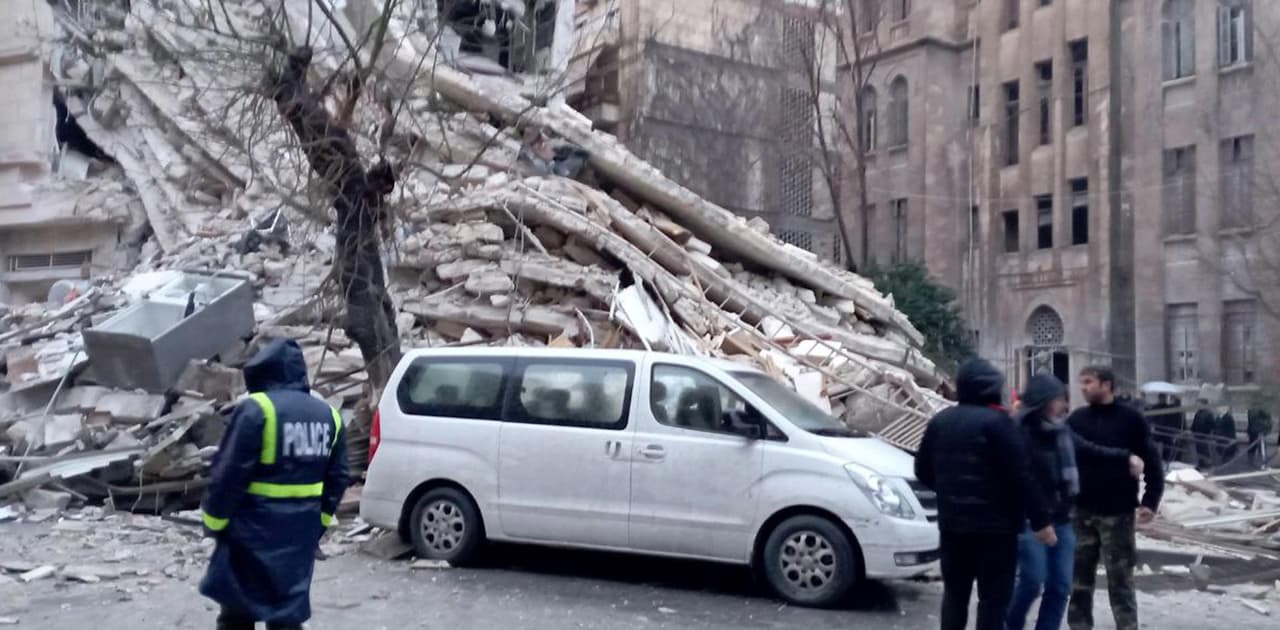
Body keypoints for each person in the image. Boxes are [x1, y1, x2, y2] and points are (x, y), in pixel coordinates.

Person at [199, 339, 350, 630]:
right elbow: (338, 477)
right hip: (299, 534)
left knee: (237, 613)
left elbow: (228, 474)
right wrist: (317, 525)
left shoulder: (257, 409)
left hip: (250, 531)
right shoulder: (329, 416)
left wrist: (214, 523)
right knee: (286, 614)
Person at [915, 358, 1055, 630]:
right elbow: (1021, 476)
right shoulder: (1000, 423)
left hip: (953, 528)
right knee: (992, 601)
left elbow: (922, 469)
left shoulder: (940, 421)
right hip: (997, 532)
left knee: (955, 596)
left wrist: (948, 491)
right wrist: (1041, 521)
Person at [1006, 375, 1139, 630]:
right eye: (1058, 399)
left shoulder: (1061, 430)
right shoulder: (1018, 433)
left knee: (1060, 585)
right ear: (1042, 401)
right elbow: (1020, 480)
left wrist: (1126, 458)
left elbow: (1090, 450)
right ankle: (1010, 623)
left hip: (1062, 519)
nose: (1063, 406)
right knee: (1033, 580)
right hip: (1029, 520)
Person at [1066, 366, 1164, 630]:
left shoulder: (1131, 420)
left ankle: (1127, 626)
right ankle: (1079, 625)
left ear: (1107, 384)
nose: (1083, 387)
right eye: (1081, 382)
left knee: (1120, 580)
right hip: (1082, 511)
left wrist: (1150, 500)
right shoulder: (1076, 420)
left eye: (1089, 382)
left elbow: (1152, 461)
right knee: (1078, 580)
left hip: (1117, 512)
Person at [1190, 399, 1217, 470]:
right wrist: (1192, 430)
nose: (1198, 405)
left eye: (1199, 404)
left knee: (1205, 451)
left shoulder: (1208, 413)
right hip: (1197, 435)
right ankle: (1201, 463)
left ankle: (1208, 464)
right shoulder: (1198, 413)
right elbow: (1195, 423)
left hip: (1204, 435)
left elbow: (1213, 424)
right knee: (1199, 450)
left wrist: (1207, 431)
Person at [1246, 404, 1272, 469]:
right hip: (1254, 432)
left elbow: (1269, 423)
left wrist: (1265, 432)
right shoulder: (1252, 411)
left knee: (1262, 449)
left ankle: (1262, 464)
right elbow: (1250, 422)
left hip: (1261, 433)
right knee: (1252, 448)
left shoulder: (1265, 412)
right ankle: (1250, 462)